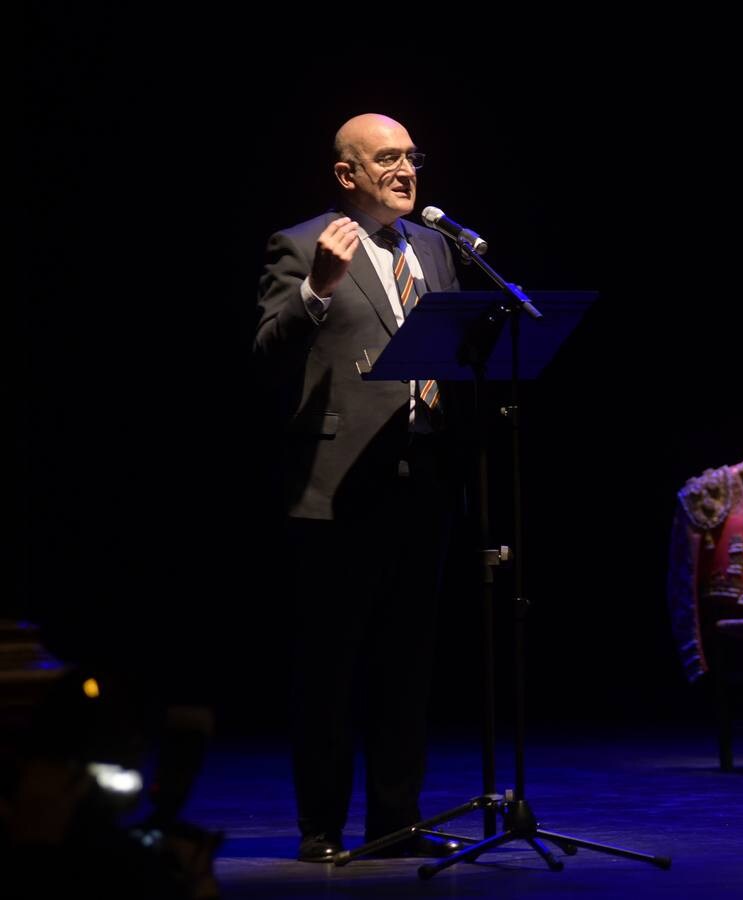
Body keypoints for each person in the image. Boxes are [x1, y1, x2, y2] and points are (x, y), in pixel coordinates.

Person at [253, 113, 463, 863]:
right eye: (386, 159)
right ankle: (321, 830)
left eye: (412, 157)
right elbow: (269, 352)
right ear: (347, 176)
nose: (406, 170)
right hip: (337, 488)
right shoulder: (304, 243)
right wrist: (316, 288)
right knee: (332, 668)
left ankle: (394, 823)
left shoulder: (437, 248)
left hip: (421, 478)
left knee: (407, 664)